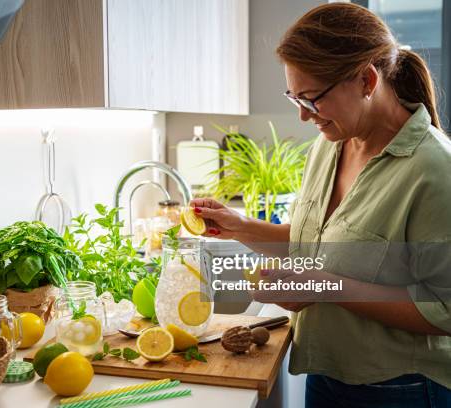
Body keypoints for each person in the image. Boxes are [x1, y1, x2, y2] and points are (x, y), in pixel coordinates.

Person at [192, 3, 451, 407]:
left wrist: (325, 286)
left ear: (366, 80)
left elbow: (445, 309)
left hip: (402, 388)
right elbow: (317, 243)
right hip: (327, 373)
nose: (301, 115)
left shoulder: (435, 170)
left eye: (311, 99)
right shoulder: (329, 145)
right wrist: (239, 227)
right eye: (293, 97)